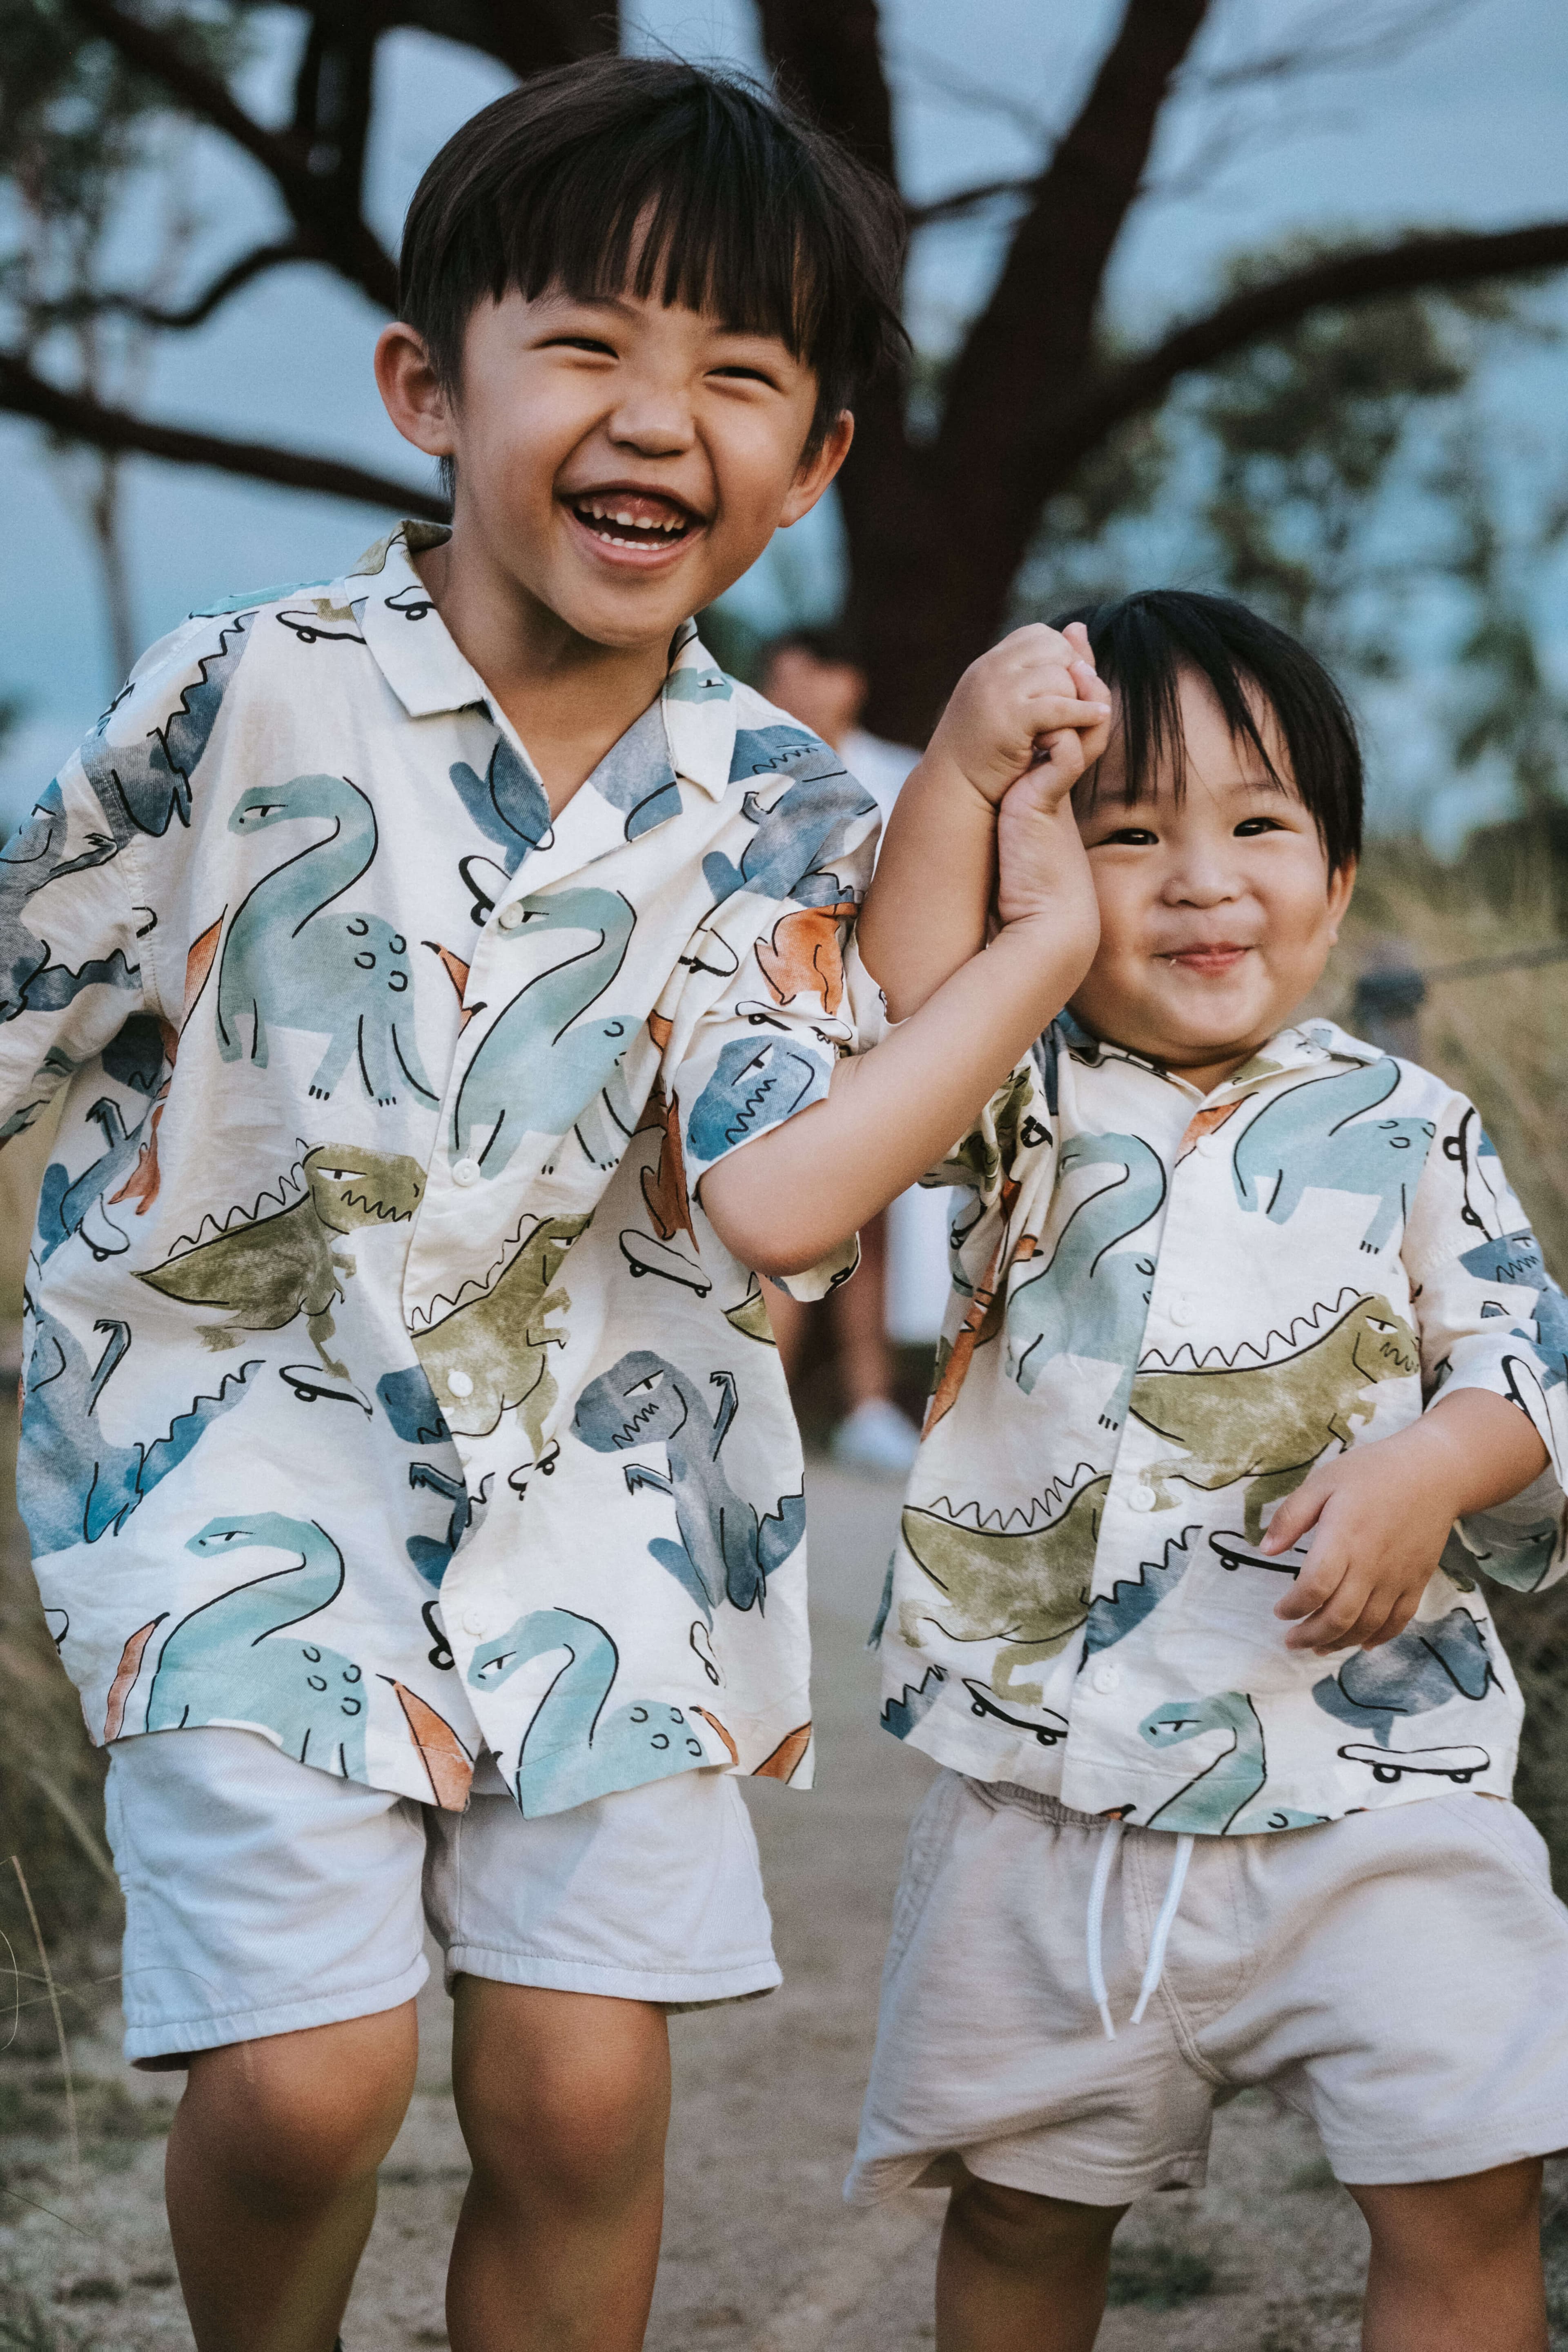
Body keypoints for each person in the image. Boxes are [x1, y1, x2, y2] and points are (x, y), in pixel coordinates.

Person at [0, 57, 1111, 2352]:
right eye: (590, 347)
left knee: (580, 2096)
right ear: (430, 385)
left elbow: (786, 1174)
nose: (654, 415)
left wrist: (1005, 898)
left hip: (618, 1504)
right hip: (229, 1454)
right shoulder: (244, 698)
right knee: (307, 2090)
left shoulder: (786, 808)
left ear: (808, 469)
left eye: (736, 375)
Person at [846, 589, 1568, 2352]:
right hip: (1052, 1803)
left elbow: (1530, 1370)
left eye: (1259, 827)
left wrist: (1428, 1466)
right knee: (1020, 2211)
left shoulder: (1411, 1125)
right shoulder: (1012, 1098)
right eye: (1129, 835)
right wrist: (957, 762)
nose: (1200, 879)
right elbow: (905, 982)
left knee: (1471, 2184)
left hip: (1382, 1782)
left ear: (1336, 880)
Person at [758, 623, 927, 1472]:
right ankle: (761, 1408)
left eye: (818, 675)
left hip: (877, 1018)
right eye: (786, 677)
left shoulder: (904, 778)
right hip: (774, 1019)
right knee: (774, 1213)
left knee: (872, 1218)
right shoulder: (747, 775)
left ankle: (868, 1405)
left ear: (850, 684)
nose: (804, 694)